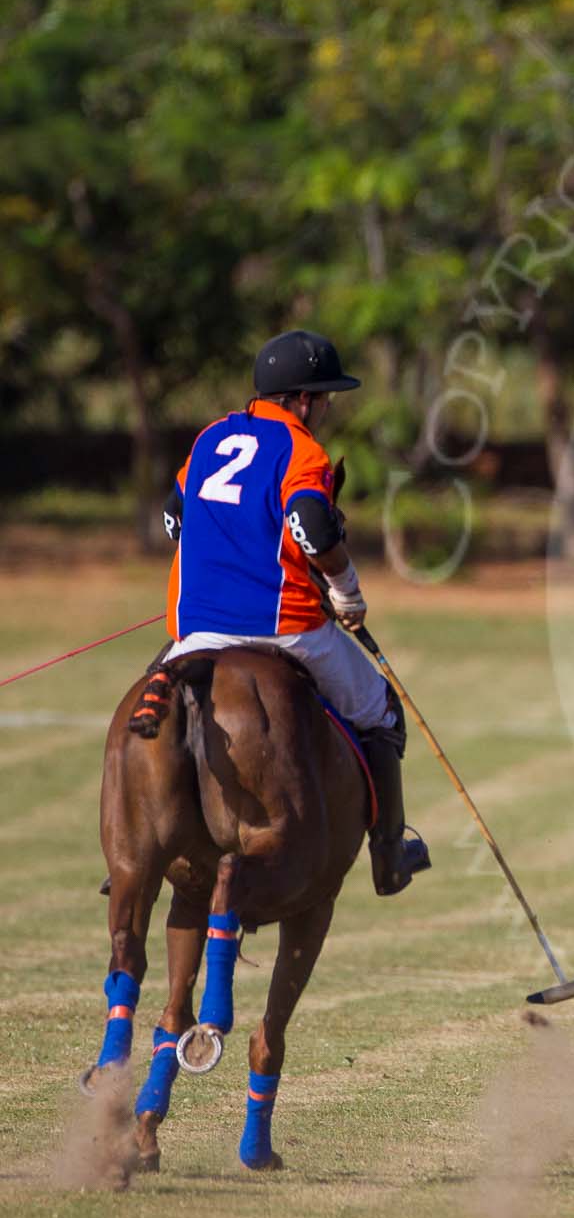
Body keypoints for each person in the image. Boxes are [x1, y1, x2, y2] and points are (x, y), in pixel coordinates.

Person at [130, 330, 428, 896]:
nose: (328, 408)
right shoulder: (302, 451)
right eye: (325, 397)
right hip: (285, 627)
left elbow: (175, 521)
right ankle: (389, 855)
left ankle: (133, 843)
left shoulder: (211, 438)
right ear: (302, 399)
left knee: (148, 708)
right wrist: (345, 589)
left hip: (195, 627)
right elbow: (310, 527)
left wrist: (222, 556)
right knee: (381, 710)